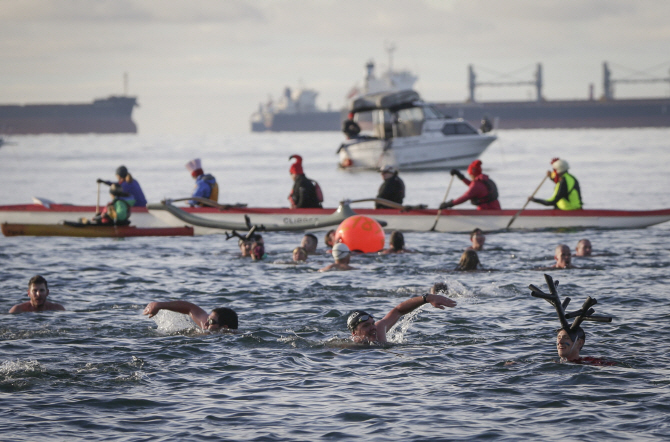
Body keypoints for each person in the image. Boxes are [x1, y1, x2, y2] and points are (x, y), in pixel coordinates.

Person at [346, 292, 457, 344]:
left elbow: (398, 311)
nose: (373, 328)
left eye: (372, 323)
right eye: (366, 326)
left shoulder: (379, 329)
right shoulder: (349, 348)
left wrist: (427, 298)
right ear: (354, 333)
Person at [143, 300, 238, 331]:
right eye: (208, 318)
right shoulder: (207, 326)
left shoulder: (231, 335)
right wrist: (159, 305)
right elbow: (189, 308)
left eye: (211, 321)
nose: (205, 322)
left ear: (224, 328)